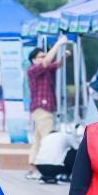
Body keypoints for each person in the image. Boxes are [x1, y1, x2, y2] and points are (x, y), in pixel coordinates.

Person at [26, 35, 69, 180]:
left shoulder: (44, 69)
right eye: (41, 56)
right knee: (47, 140)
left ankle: (33, 169)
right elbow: (47, 62)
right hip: (42, 109)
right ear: (33, 60)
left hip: (43, 109)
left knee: (38, 140)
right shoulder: (33, 69)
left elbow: (57, 64)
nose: (44, 58)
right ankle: (47, 171)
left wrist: (63, 56)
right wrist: (58, 44)